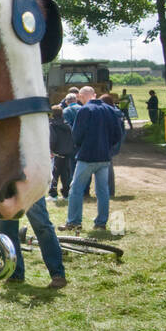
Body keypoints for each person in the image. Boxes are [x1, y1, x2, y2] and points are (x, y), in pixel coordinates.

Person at [62, 86, 124, 233]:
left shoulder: (84, 110)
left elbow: (76, 134)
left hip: (87, 156)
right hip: (104, 157)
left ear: (82, 97)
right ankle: (101, 223)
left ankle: (74, 222)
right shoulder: (109, 109)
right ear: (94, 95)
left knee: (76, 189)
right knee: (103, 191)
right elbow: (118, 133)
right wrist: (108, 147)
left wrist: (81, 145)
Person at [0, 196, 67, 288]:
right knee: (7, 232)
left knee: (42, 226)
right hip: (5, 188)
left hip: (30, 186)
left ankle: (58, 275)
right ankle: (14, 274)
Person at [48, 104, 76, 200]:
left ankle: (53, 194)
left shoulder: (52, 125)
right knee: (65, 174)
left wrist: (51, 150)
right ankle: (66, 194)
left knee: (54, 174)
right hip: (67, 153)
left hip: (57, 153)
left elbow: (53, 139)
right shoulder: (67, 125)